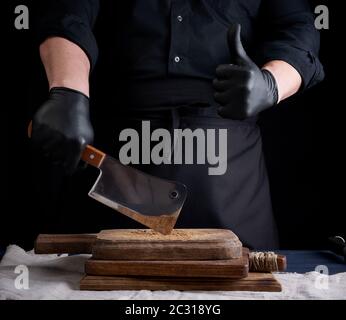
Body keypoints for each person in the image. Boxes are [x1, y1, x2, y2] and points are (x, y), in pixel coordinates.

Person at [31, 0, 324, 249]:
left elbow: (298, 29)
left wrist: (271, 83)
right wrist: (69, 92)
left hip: (234, 190)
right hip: (116, 181)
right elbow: (66, 13)